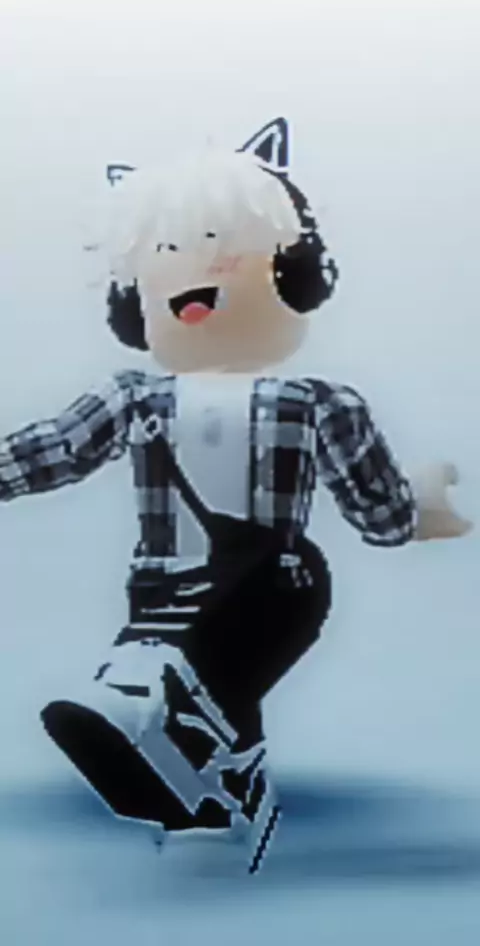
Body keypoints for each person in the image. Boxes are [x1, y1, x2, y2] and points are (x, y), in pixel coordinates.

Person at [0, 118, 471, 873]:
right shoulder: (133, 397)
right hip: (166, 596)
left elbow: (380, 513)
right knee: (205, 685)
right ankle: (220, 792)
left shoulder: (317, 404)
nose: (192, 280)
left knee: (185, 667)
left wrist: (424, 509)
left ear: (296, 276)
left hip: (269, 586)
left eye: (221, 254)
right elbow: (48, 452)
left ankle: (157, 706)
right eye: (164, 263)